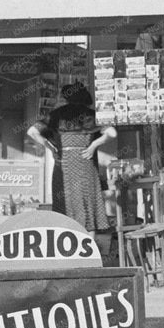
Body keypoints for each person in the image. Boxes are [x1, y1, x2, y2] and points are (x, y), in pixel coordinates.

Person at [27, 82, 118, 261]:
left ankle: (69, 254)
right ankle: (88, 254)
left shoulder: (57, 114)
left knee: (66, 208)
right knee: (88, 208)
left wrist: (50, 147)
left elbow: (32, 131)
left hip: (63, 166)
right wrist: (93, 145)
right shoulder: (90, 115)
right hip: (85, 165)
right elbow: (112, 133)